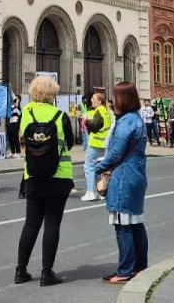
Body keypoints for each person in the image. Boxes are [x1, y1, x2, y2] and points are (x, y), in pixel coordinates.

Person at [15, 76, 73, 287]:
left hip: (33, 176)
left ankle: (20, 271)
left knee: (31, 223)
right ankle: (47, 273)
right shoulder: (60, 115)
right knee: (52, 223)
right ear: (53, 95)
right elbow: (70, 142)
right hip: (59, 176)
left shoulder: (27, 112)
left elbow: (21, 139)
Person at [90, 82, 149, 283]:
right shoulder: (136, 120)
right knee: (135, 223)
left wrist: (97, 168)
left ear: (124, 99)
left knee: (122, 224)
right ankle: (140, 267)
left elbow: (116, 152)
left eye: (116, 97)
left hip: (124, 176)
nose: (113, 102)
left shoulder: (126, 122)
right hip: (136, 175)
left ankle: (125, 270)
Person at [81, 93, 113, 202]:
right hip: (104, 144)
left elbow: (94, 126)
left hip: (96, 143)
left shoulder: (99, 111)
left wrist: (86, 121)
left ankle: (91, 192)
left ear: (100, 101)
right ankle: (101, 191)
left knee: (89, 167)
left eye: (94, 99)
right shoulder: (106, 111)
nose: (91, 100)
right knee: (99, 168)